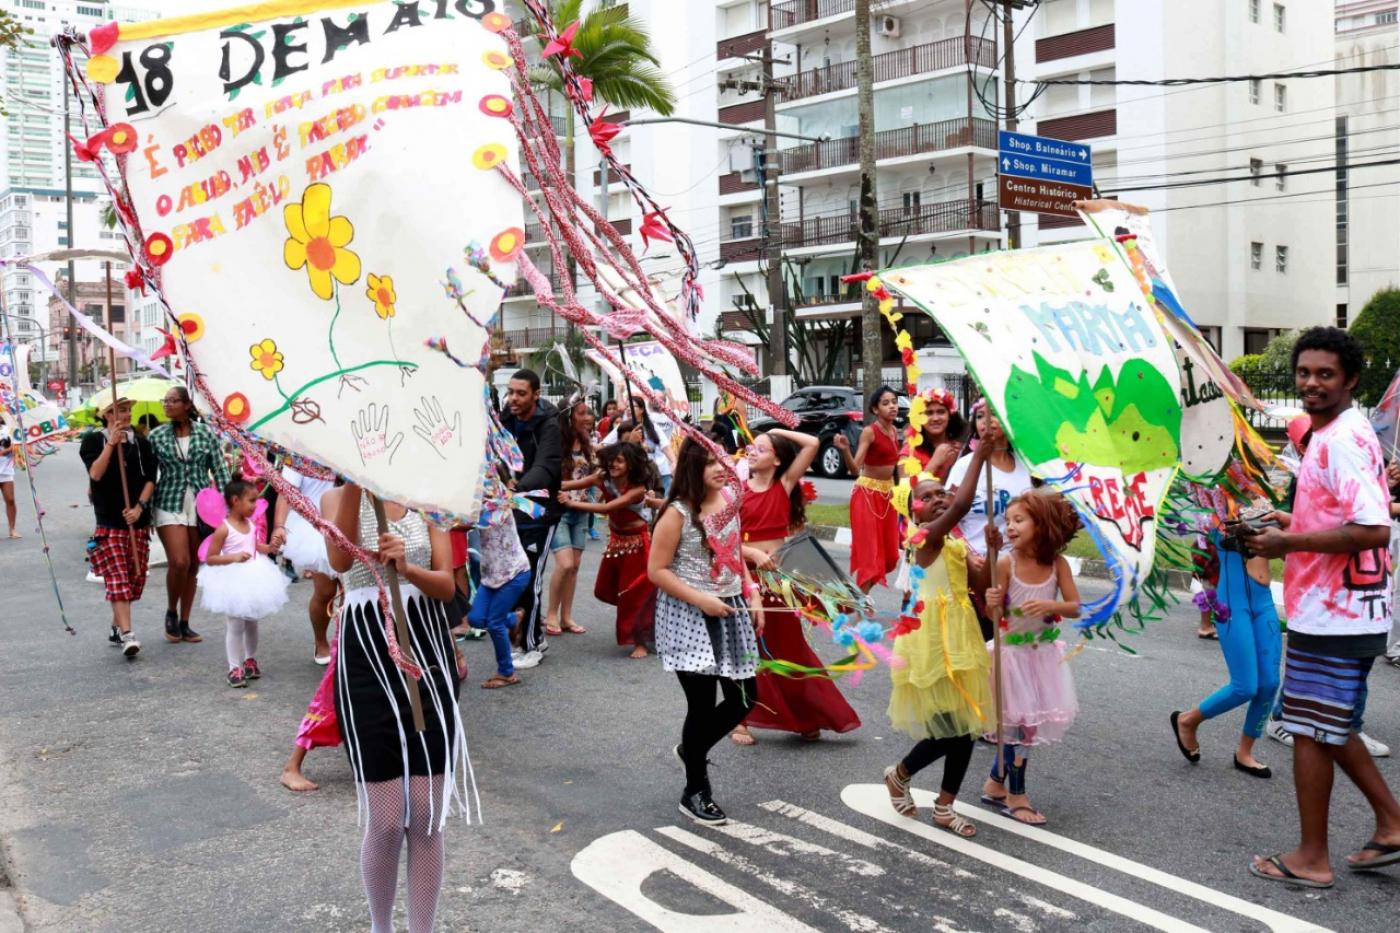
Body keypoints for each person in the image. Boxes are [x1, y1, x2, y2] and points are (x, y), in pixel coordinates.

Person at [1243, 327, 1400, 888]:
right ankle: (1392, 825)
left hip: (1338, 614)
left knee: (1309, 731)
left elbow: (1374, 528)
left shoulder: (1340, 439)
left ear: (1351, 379)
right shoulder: (1333, 432)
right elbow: (1344, 517)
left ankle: (1312, 859)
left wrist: (1288, 544)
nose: (1311, 383)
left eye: (1325, 374)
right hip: (1338, 609)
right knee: (1332, 726)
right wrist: (1293, 523)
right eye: (1304, 373)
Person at [323, 481, 469, 932]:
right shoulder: (336, 498)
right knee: (386, 822)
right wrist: (351, 480)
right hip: (365, 658)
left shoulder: (429, 501)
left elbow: (448, 587)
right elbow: (340, 560)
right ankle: (380, 928)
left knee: (426, 818)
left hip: (425, 656)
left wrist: (406, 567)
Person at [882, 440, 995, 838]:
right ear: (911, 511)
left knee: (967, 725)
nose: (939, 499)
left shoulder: (954, 543)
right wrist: (979, 456)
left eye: (941, 493)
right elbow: (963, 507)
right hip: (932, 643)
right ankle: (901, 773)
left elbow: (978, 585)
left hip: (961, 637)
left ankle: (945, 805)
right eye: (926, 497)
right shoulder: (924, 538)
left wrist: (991, 560)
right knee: (953, 728)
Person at [650, 438, 765, 825]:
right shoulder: (677, 513)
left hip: (730, 609)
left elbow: (734, 553)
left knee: (745, 698)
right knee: (700, 705)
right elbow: (658, 571)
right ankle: (695, 790)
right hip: (690, 616)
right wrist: (701, 600)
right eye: (710, 461)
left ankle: (692, 748)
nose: (721, 466)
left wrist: (753, 594)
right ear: (691, 468)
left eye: (723, 459)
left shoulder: (730, 499)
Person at [735, 429, 860, 745]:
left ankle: (806, 715)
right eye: (752, 447)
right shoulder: (736, 492)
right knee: (748, 649)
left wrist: (773, 431)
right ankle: (741, 719)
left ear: (776, 460)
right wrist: (749, 554)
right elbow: (723, 541)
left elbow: (813, 443)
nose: (752, 452)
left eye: (761, 449)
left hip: (777, 582)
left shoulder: (783, 485)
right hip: (745, 581)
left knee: (790, 649)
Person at [1171, 476, 1283, 779]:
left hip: (1263, 602)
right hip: (1233, 605)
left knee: (1270, 683)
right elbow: (1211, 541)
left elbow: (1284, 546)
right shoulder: (1213, 507)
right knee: (1246, 685)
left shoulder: (1263, 498)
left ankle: (1245, 752)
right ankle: (1188, 720)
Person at [982, 490, 1082, 825]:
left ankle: (996, 784)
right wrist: (992, 598)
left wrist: (1051, 606)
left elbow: (1074, 606)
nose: (1010, 527)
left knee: (1027, 724)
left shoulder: (1057, 564)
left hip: (1040, 656)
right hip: (1009, 657)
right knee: (1016, 727)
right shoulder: (1005, 562)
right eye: (1007, 520)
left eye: (1019, 520)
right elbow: (991, 613)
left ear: (1042, 525)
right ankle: (1016, 794)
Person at [148, 385, 231, 644]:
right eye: (165, 401)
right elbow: (147, 475)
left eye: (173, 401)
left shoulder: (206, 434)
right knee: (180, 561)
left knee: (194, 564)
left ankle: (185, 622)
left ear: (186, 405)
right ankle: (171, 611)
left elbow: (220, 470)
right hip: (167, 501)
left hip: (201, 504)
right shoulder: (157, 435)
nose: (167, 405)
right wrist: (144, 509)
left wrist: (229, 507)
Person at [564, 441, 660, 658]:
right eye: (612, 460)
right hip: (617, 543)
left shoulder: (638, 489)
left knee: (635, 595)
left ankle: (641, 642)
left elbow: (607, 508)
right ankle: (650, 629)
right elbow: (574, 484)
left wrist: (571, 504)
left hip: (638, 546)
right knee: (607, 590)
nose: (614, 465)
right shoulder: (603, 478)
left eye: (620, 461)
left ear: (631, 464)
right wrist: (549, 486)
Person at [80, 392, 158, 658]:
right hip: (109, 521)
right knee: (118, 579)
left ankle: (116, 626)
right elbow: (96, 474)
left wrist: (139, 507)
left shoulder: (142, 444)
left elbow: (150, 479)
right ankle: (128, 634)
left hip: (137, 521)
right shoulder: (92, 440)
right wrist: (111, 444)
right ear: (106, 415)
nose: (126, 414)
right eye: (119, 410)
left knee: (135, 580)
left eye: (127, 409)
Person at [198, 479, 291, 688]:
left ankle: (250, 659)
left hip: (252, 576)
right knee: (235, 624)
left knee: (252, 620)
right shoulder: (224, 529)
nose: (255, 505)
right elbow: (211, 558)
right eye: (251, 501)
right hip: (232, 579)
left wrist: (269, 548)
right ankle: (234, 667)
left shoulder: (251, 524)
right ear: (235, 501)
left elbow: (254, 545)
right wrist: (233, 557)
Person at [500, 369, 562, 670]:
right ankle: (527, 637)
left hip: (540, 514)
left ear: (536, 395)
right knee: (513, 579)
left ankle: (532, 644)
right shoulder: (505, 420)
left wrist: (518, 487)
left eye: (520, 393)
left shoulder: (549, 425)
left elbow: (547, 466)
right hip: (510, 513)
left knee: (530, 580)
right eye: (510, 392)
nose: (513, 398)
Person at [834, 386, 902, 593]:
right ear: (875, 409)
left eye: (894, 402)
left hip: (888, 496)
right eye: (885, 403)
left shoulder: (894, 431)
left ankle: (857, 597)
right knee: (871, 558)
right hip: (867, 496)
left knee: (890, 557)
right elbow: (855, 469)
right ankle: (859, 607)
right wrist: (845, 450)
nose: (892, 406)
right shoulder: (869, 432)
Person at [946, 401, 1032, 563]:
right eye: (979, 416)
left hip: (1016, 564)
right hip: (975, 564)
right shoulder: (964, 467)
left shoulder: (1026, 467)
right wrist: (968, 555)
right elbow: (947, 518)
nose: (986, 421)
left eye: (994, 413)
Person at [273, 460, 339, 664]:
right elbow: (285, 493)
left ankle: (346, 642)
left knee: (354, 590)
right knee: (326, 591)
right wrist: (279, 526)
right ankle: (320, 642)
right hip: (314, 527)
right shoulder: (297, 455)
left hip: (347, 519)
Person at [473, 479, 533, 689]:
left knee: (494, 623)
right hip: (491, 575)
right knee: (476, 619)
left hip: (514, 573)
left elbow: (471, 521)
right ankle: (514, 618)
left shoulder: (502, 507)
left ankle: (506, 673)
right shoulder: (476, 505)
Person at [545, 399, 596, 637]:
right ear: (569, 417)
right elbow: (552, 483)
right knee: (564, 564)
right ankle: (552, 613)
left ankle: (566, 616)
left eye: (588, 413)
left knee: (574, 567)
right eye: (582, 413)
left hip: (582, 510)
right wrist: (584, 482)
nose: (588, 417)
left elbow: (597, 470)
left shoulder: (587, 444)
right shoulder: (555, 445)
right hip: (560, 510)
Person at [904, 388, 964, 482]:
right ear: (919, 418)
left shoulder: (960, 448)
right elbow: (907, 494)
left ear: (950, 416)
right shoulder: (908, 452)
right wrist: (934, 463)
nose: (935, 418)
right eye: (929, 413)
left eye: (941, 412)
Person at [0, 435, 17, 539]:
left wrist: (5, 451)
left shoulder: (9, 428)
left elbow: (17, 446)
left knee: (10, 500)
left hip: (6, 471)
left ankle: (12, 529)